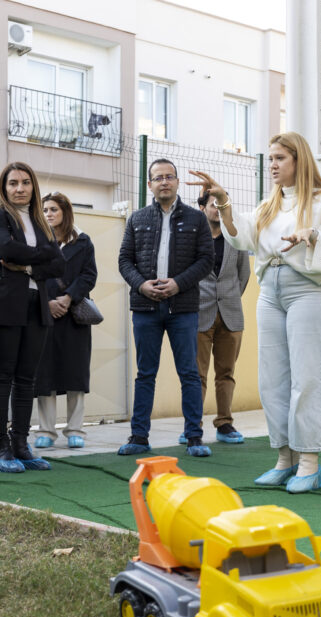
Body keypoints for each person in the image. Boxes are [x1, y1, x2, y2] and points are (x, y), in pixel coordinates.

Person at [189, 132, 321, 493]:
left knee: (307, 376)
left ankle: (309, 463)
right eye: (272, 158)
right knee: (272, 379)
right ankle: (285, 459)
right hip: (271, 292)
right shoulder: (269, 205)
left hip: (307, 290)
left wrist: (313, 237)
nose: (273, 165)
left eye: (280, 158)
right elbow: (241, 234)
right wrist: (223, 200)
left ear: (299, 160)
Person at [117, 158, 214, 457]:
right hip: (145, 309)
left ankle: (195, 437)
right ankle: (138, 437)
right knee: (145, 373)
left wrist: (178, 284)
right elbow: (124, 260)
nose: (164, 182)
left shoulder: (197, 220)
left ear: (176, 182)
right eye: (158, 178)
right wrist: (141, 285)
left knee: (189, 373)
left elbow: (206, 260)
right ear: (150, 184)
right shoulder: (136, 219)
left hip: (183, 308)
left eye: (169, 176)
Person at [0, 162, 66, 472]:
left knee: (27, 379)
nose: (20, 188)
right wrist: (41, 257)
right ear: (4, 188)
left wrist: (27, 266)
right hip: (6, 305)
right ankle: (0, 446)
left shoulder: (41, 221)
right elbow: (4, 248)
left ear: (33, 187)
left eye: (25, 183)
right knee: (2, 374)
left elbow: (59, 265)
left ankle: (21, 444)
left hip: (36, 304)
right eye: (13, 183)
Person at [33, 192, 98, 450]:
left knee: (75, 374)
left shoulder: (82, 242)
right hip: (44, 314)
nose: (48, 214)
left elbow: (89, 275)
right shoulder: (36, 241)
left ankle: (75, 430)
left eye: (53, 210)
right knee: (44, 375)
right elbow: (33, 276)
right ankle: (46, 431)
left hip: (73, 317)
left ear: (65, 212)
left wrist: (68, 298)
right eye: (45, 210)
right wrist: (47, 303)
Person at [190, 190, 251, 446]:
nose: (217, 209)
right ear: (202, 207)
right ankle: (192, 427)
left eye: (221, 205)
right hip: (199, 313)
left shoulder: (234, 236)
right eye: (212, 205)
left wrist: (231, 298)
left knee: (226, 373)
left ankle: (224, 424)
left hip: (231, 315)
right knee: (197, 375)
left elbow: (243, 275)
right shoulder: (192, 238)